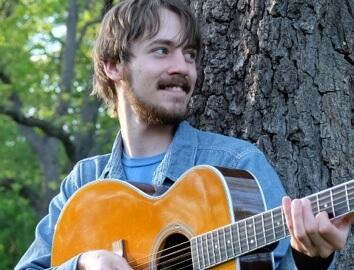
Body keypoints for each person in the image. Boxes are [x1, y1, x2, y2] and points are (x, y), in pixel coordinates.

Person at [16, 0, 353, 269]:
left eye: (189, 54)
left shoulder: (235, 166)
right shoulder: (85, 184)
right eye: (162, 50)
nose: (183, 67)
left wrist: (311, 259)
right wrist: (85, 263)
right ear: (113, 65)